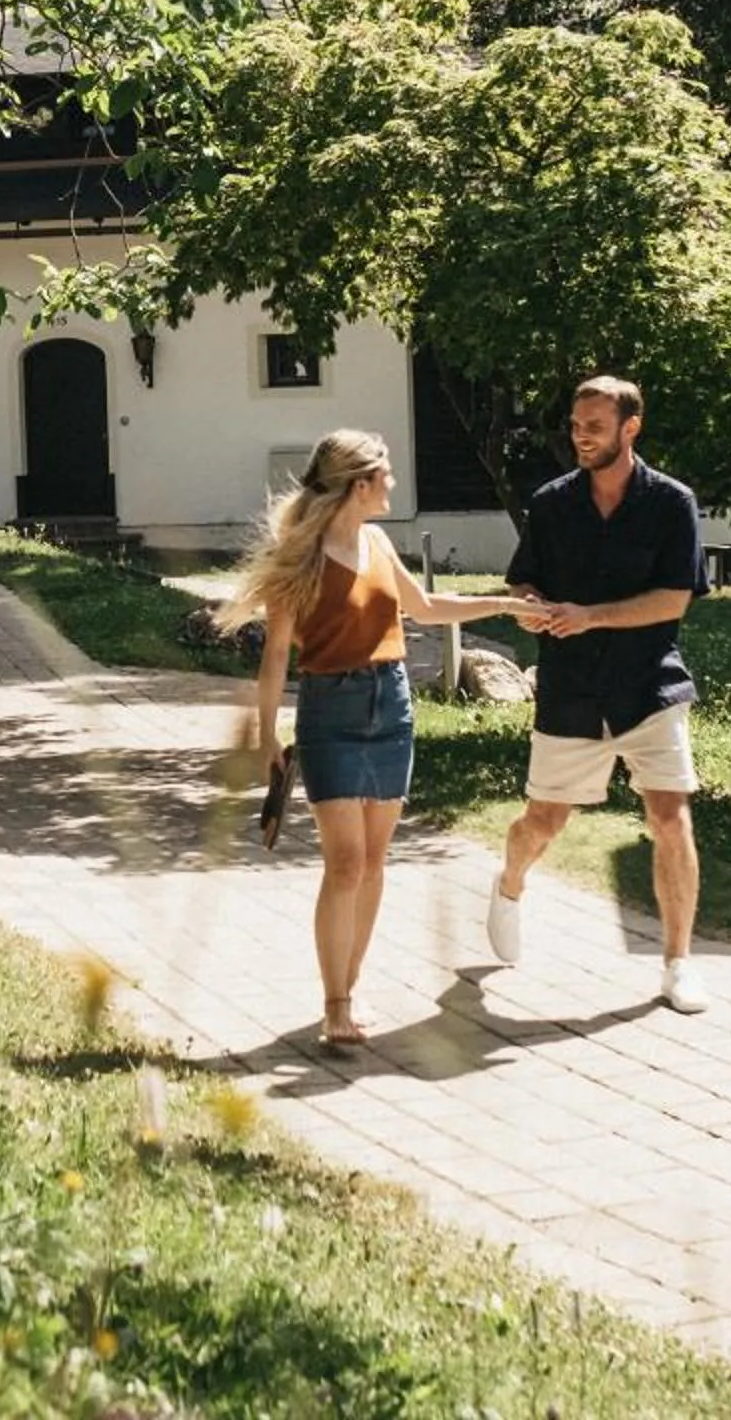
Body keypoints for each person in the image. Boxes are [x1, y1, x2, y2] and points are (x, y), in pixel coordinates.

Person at [223, 429, 534, 1049]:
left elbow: (423, 608)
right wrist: (266, 739)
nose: (394, 481)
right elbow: (277, 656)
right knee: (343, 865)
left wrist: (501, 605)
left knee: (372, 863)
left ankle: (352, 985)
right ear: (360, 483)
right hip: (329, 710)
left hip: (392, 706)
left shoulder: (377, 542)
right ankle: (334, 1001)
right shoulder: (301, 556)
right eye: (385, 473)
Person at [484, 376, 716, 1014]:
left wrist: (591, 615)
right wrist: (530, 608)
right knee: (543, 823)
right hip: (572, 689)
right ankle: (508, 886)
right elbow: (523, 584)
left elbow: (673, 600)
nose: (580, 435)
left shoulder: (673, 503)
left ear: (629, 428)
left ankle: (677, 964)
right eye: (576, 425)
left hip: (650, 685)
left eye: (594, 425)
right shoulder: (551, 503)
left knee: (670, 817)